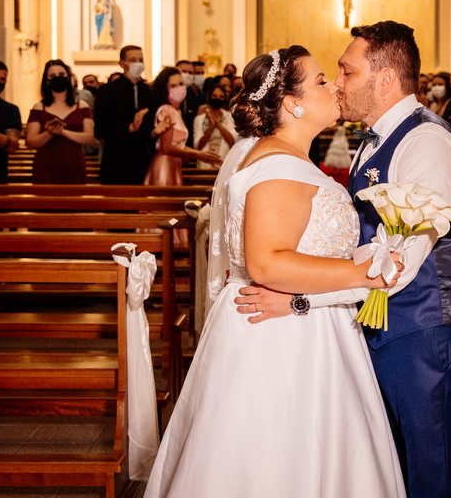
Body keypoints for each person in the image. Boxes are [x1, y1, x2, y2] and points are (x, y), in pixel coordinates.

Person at [146, 47, 406, 498]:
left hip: (302, 324)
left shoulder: (286, 158)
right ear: (292, 104)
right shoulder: (279, 167)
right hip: (282, 340)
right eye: (321, 80)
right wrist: (364, 273)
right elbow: (266, 261)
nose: (335, 86)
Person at [239, 25, 451, 498]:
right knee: (392, 467)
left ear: (385, 79)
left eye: (347, 71)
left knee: (432, 472)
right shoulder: (374, 139)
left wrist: (301, 300)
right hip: (380, 322)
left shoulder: (427, 143)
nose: (339, 82)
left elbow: (401, 262)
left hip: (425, 330)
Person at [147, 67, 223, 185]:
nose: (179, 88)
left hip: (174, 164)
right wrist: (198, 154)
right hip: (165, 165)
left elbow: (178, 145)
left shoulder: (176, 111)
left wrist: (200, 155)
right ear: (164, 90)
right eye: (173, 86)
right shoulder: (167, 111)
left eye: (181, 84)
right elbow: (166, 147)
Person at [94, 45, 158, 184]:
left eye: (140, 60)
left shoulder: (149, 91)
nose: (138, 64)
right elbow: (99, 130)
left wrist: (155, 132)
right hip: (116, 164)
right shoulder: (108, 91)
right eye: (133, 60)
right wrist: (129, 127)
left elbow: (149, 129)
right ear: (122, 64)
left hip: (143, 163)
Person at [25, 60, 96, 184]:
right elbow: (30, 142)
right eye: (53, 76)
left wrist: (63, 132)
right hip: (45, 166)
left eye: (61, 74)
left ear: (68, 78)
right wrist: (49, 132)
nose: (58, 78)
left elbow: (90, 138)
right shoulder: (39, 107)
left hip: (74, 166)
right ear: (47, 81)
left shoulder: (82, 106)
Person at [193, 84, 237, 169]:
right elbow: (198, 146)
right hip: (203, 166)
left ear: (225, 99)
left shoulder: (229, 117)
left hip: (224, 164)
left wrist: (216, 122)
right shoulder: (199, 119)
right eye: (214, 96)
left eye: (221, 97)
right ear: (209, 97)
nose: (217, 99)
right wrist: (212, 126)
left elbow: (232, 141)